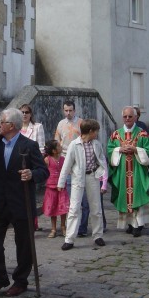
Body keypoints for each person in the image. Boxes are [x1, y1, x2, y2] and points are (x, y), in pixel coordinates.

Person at [0, 108, 49, 297]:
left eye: (2, 122)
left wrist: (31, 174)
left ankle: (21, 280)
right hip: (0, 202)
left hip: (21, 201)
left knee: (24, 243)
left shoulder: (29, 146)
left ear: (12, 126)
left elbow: (44, 171)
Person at [57, 119, 107, 250]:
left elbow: (101, 160)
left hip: (92, 176)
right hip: (78, 178)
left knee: (96, 208)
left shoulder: (96, 144)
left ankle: (97, 235)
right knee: (74, 208)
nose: (97, 134)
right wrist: (61, 182)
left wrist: (102, 174)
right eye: (96, 131)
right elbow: (67, 165)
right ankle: (69, 239)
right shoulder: (74, 145)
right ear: (90, 131)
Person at [108, 107, 149, 237]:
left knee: (137, 195)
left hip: (138, 171)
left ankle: (138, 224)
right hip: (122, 172)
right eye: (125, 117)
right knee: (125, 196)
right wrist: (119, 150)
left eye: (130, 116)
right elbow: (109, 150)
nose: (127, 119)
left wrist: (136, 150)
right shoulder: (116, 134)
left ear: (136, 117)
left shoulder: (142, 134)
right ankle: (129, 223)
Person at [53, 100, 90, 237]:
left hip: (80, 161)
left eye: (70, 110)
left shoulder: (81, 123)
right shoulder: (61, 124)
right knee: (70, 197)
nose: (68, 113)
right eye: (66, 110)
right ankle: (71, 226)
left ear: (75, 110)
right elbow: (57, 141)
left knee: (84, 198)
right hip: (65, 161)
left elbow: (86, 141)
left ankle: (83, 227)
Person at [19, 103, 46, 230]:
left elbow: (41, 147)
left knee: (30, 195)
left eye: (26, 112)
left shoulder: (37, 127)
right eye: (22, 112)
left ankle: (32, 222)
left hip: (31, 165)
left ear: (30, 114)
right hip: (18, 164)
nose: (24, 114)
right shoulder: (16, 128)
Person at [42, 140, 69, 238]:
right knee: (52, 207)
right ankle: (53, 229)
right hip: (51, 187)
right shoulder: (47, 160)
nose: (61, 146)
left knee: (63, 208)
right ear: (54, 150)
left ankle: (63, 227)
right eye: (58, 146)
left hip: (62, 187)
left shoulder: (64, 159)